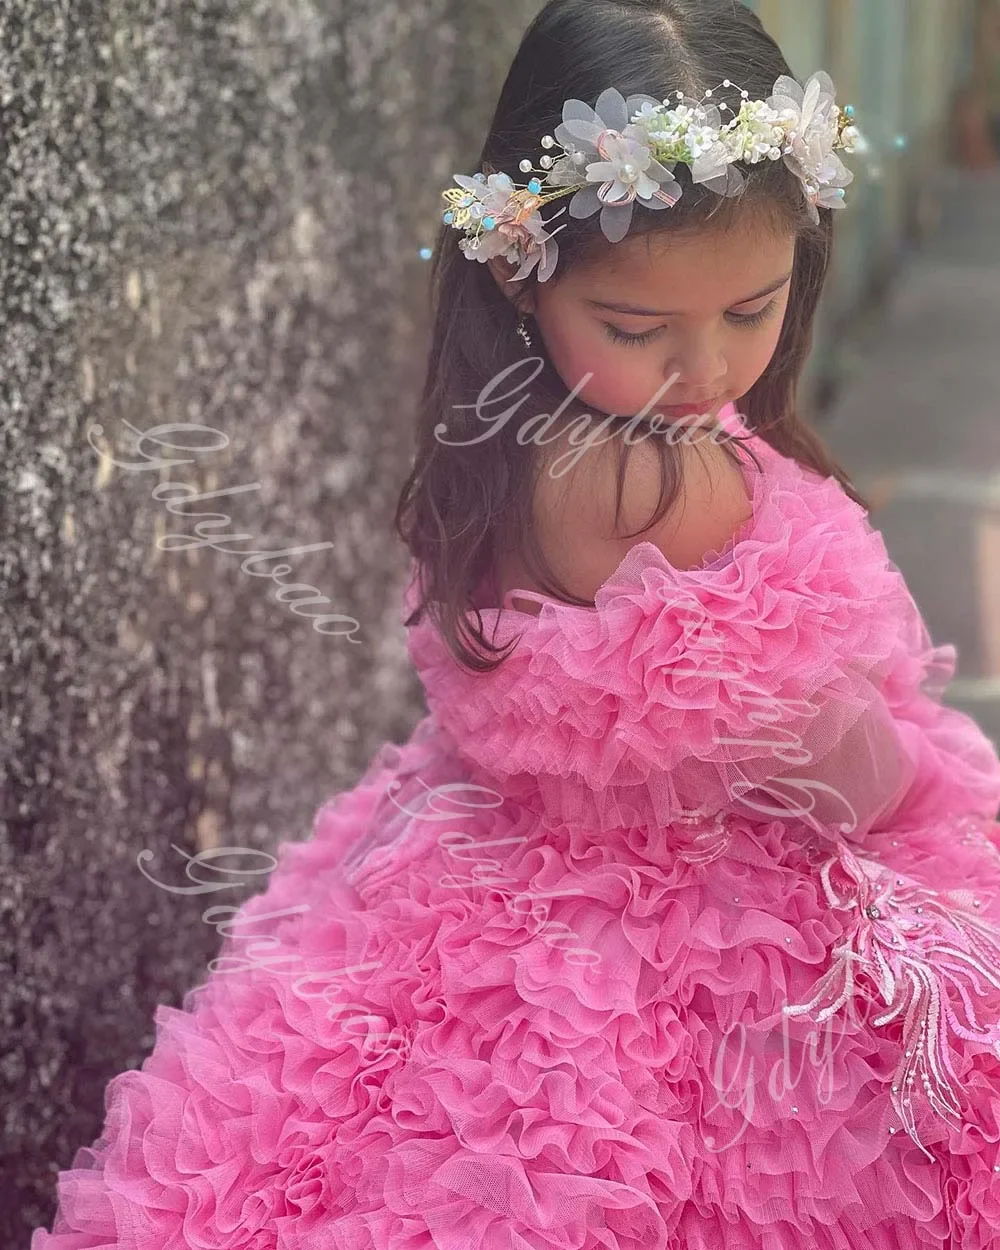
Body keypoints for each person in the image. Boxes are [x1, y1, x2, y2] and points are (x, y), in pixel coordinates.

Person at [31, 1, 1000, 1246]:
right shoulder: (661, 482)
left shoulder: (510, 435)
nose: (704, 372)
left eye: (749, 311)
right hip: (676, 939)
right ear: (518, 268)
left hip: (480, 868)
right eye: (637, 329)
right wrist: (929, 784)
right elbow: (839, 767)